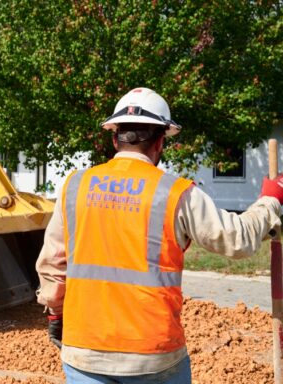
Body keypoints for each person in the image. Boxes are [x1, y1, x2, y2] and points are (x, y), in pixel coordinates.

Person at [35, 87, 283, 384]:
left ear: (115, 138)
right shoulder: (175, 193)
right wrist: (271, 200)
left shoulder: (75, 186)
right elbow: (236, 239)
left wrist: (55, 314)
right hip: (151, 354)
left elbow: (52, 265)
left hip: (85, 351)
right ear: (161, 141)